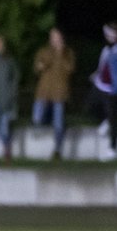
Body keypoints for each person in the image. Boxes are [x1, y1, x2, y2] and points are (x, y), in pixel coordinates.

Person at [31, 28, 76, 161]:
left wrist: (61, 55)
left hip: (59, 93)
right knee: (37, 119)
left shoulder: (68, 53)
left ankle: (57, 149)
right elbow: (37, 68)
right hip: (44, 92)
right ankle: (47, 118)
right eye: (53, 37)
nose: (55, 40)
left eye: (57, 37)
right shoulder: (44, 51)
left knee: (59, 123)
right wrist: (44, 63)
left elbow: (70, 70)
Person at [89, 21, 117, 162]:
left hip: (113, 90)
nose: (108, 36)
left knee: (114, 119)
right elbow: (103, 65)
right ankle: (105, 121)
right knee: (91, 107)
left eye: (111, 34)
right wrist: (96, 75)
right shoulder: (107, 49)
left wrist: (116, 90)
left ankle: (112, 149)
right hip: (100, 86)